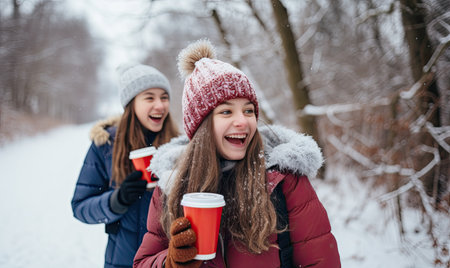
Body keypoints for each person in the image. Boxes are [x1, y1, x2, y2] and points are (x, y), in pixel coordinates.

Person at [133, 40, 341, 268]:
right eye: (226, 111)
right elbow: (143, 262)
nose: (242, 121)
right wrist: (169, 262)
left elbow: (321, 261)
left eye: (248, 110)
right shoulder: (171, 187)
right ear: (201, 127)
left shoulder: (283, 181)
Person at [71, 63, 179, 268]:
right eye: (150, 97)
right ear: (131, 103)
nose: (160, 105)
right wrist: (116, 201)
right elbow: (80, 207)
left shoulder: (179, 145)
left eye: (164, 97)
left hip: (167, 260)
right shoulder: (106, 146)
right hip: (121, 261)